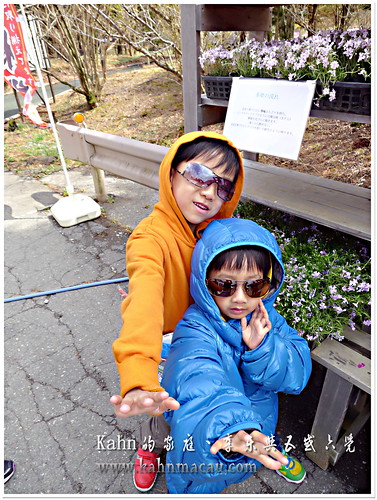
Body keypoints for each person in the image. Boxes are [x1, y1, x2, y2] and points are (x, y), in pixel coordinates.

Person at [110, 131, 245, 491]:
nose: (209, 192)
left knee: (196, 402)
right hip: (166, 344)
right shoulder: (149, 238)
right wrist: (139, 375)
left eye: (223, 187)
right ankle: (151, 449)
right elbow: (145, 300)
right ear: (171, 172)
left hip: (208, 342)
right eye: (200, 175)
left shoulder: (217, 235)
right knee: (158, 409)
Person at [161, 217, 312, 494]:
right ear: (205, 283)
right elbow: (196, 374)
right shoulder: (196, 327)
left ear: (270, 283)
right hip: (216, 435)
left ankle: (269, 448)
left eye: (254, 286)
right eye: (224, 285)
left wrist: (262, 349)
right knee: (204, 482)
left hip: (259, 424)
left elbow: (297, 374)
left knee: (259, 449)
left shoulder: (268, 320)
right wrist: (228, 427)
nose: (241, 298)